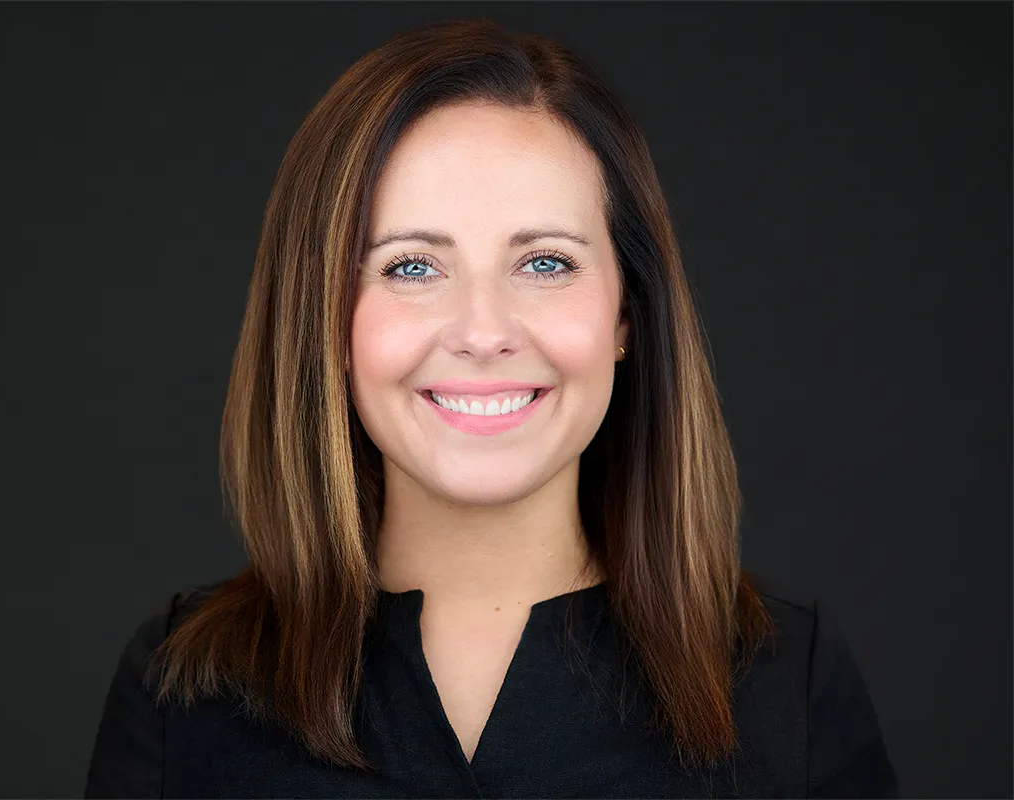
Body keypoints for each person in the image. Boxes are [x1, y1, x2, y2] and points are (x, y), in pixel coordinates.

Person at [84, 17, 898, 799]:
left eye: (545, 262)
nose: (483, 331)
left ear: (626, 315)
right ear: (324, 321)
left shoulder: (789, 689)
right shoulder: (182, 695)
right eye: (411, 268)